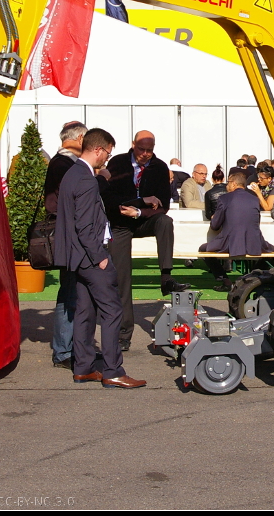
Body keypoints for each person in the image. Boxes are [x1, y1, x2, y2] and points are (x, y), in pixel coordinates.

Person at [53, 128, 145, 389]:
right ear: (98, 149)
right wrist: (99, 257)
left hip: (78, 257)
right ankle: (113, 370)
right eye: (108, 152)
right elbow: (84, 224)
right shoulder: (84, 178)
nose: (107, 158)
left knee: (84, 311)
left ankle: (83, 367)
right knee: (112, 310)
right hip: (90, 256)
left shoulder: (74, 173)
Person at [100, 130, 189, 351]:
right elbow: (109, 199)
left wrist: (139, 213)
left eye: (150, 150)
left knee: (165, 222)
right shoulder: (118, 162)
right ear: (133, 145)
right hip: (120, 223)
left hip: (143, 220)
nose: (146, 154)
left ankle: (166, 276)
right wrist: (138, 202)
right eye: (142, 149)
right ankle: (123, 333)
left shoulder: (159, 167)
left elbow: (163, 206)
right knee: (122, 280)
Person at [42, 121, 88, 369]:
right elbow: (56, 203)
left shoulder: (62, 163)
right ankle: (63, 351)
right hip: (69, 239)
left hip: (70, 237)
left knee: (73, 294)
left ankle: (70, 348)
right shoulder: (64, 164)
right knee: (69, 295)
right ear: (80, 138)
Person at [200, 172, 274, 290]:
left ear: (234, 184)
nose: (226, 186)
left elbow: (215, 225)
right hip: (254, 242)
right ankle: (251, 277)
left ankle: (226, 282)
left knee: (203, 249)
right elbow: (256, 222)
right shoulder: (254, 199)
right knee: (272, 253)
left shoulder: (224, 199)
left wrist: (215, 217)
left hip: (230, 242)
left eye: (228, 183)